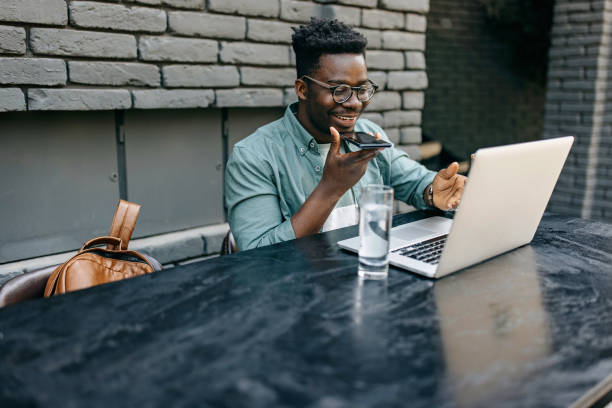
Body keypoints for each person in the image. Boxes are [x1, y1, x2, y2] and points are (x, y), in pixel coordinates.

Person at [225, 18, 466, 251]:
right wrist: (331, 188)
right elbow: (257, 256)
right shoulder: (254, 157)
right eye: (339, 90)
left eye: (361, 89)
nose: (354, 103)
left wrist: (435, 192)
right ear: (302, 89)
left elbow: (416, 182)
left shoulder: (369, 135)